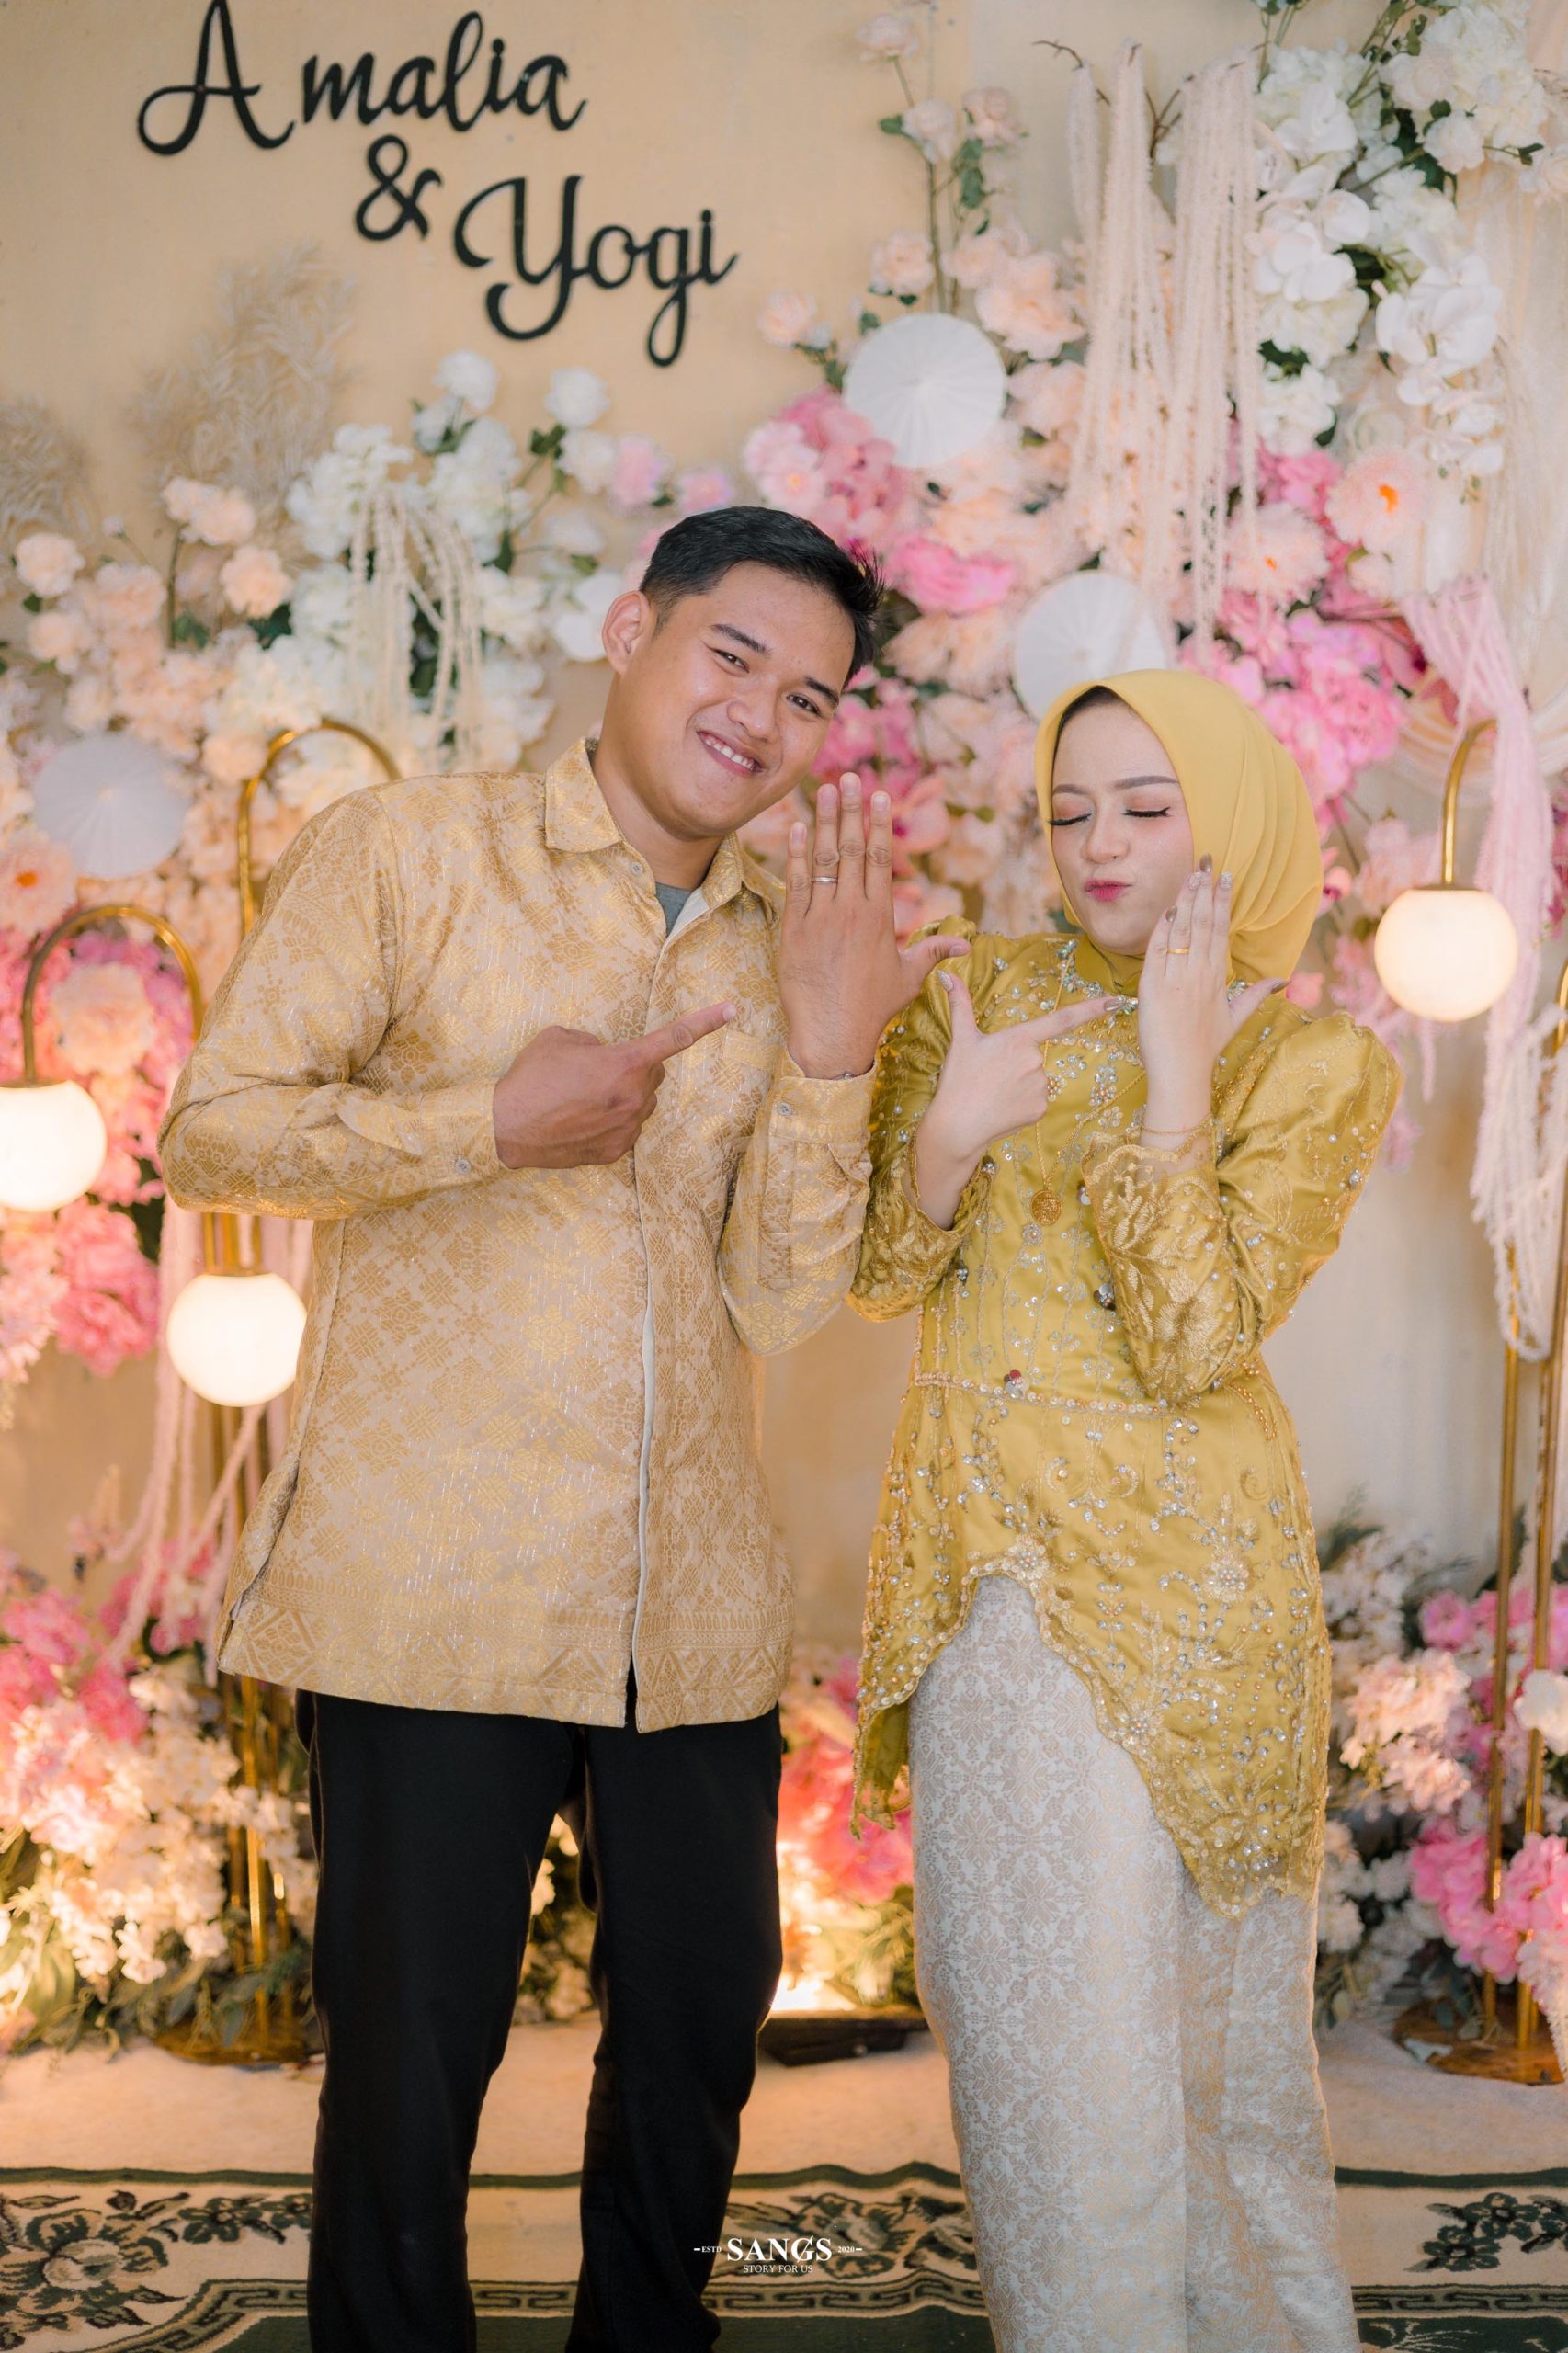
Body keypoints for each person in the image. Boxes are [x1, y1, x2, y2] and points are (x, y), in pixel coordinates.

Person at [158, 505, 964, 2353]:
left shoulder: (786, 941)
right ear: (629, 631)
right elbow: (213, 1130)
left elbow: (779, 1297)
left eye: (810, 696)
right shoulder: (412, 852)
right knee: (411, 2059)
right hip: (434, 1580)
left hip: (687, 1594)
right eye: (732, 656)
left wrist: (832, 1056)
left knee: (699, 2017)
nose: (760, 716)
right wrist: (484, 1127)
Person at [848, 670, 1403, 2353]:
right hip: (992, 1577)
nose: (1097, 844)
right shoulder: (984, 993)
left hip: (1190, 1583)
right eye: (1068, 809)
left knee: (1202, 2045)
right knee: (1035, 2025)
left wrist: (1174, 1083)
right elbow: (881, 1274)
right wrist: (946, 1136)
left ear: (1232, 823)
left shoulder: (1312, 1058)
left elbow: (1188, 1339)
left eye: (1146, 809)